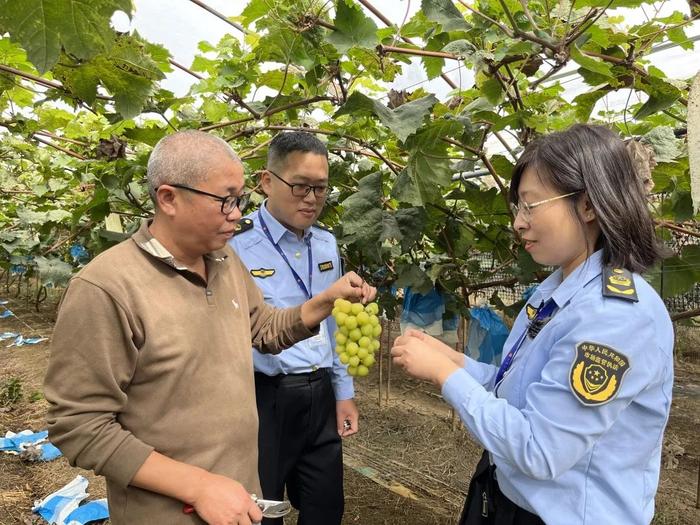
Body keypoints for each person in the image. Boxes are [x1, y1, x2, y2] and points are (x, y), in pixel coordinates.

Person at [43, 130, 375, 525]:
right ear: (169, 198)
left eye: (240, 200)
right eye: (226, 201)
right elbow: (80, 426)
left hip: (240, 500)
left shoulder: (224, 262)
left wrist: (324, 301)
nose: (237, 213)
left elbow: (264, 329)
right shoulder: (107, 288)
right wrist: (198, 486)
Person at [391, 124, 673, 525]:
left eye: (531, 205)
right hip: (505, 499)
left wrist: (444, 376)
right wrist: (455, 362)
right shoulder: (555, 290)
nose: (519, 223)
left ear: (589, 205)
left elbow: (540, 450)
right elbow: (519, 394)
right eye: (518, 209)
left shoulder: (615, 316)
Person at [229, 131, 355, 525]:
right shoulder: (234, 243)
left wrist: (343, 392)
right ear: (267, 181)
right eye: (300, 186)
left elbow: (333, 322)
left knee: (326, 508)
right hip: (261, 396)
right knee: (263, 510)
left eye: (320, 188)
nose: (311, 198)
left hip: (318, 394)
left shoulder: (326, 243)